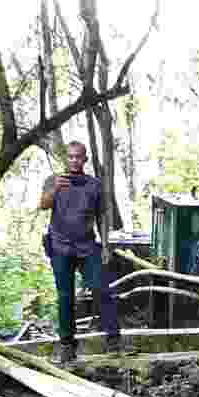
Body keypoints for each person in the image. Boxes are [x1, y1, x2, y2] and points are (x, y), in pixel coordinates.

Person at [39, 141, 125, 364]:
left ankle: (114, 341)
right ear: (65, 159)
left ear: (84, 159)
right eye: (70, 157)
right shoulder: (53, 181)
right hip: (60, 246)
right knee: (65, 296)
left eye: (78, 157)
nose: (74, 160)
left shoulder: (94, 185)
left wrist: (106, 245)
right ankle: (67, 346)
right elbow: (43, 205)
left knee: (101, 290)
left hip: (87, 246)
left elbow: (102, 217)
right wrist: (54, 189)